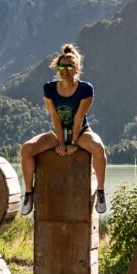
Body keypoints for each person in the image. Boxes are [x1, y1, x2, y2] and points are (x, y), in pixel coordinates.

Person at [18, 44, 108, 216]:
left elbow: (78, 118)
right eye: (61, 66)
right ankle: (29, 193)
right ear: (57, 67)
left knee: (98, 148)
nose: (64, 69)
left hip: (81, 131)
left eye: (69, 66)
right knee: (26, 149)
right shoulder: (49, 88)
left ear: (77, 68)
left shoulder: (85, 89)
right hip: (58, 131)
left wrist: (73, 143)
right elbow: (54, 116)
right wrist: (60, 143)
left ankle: (101, 192)